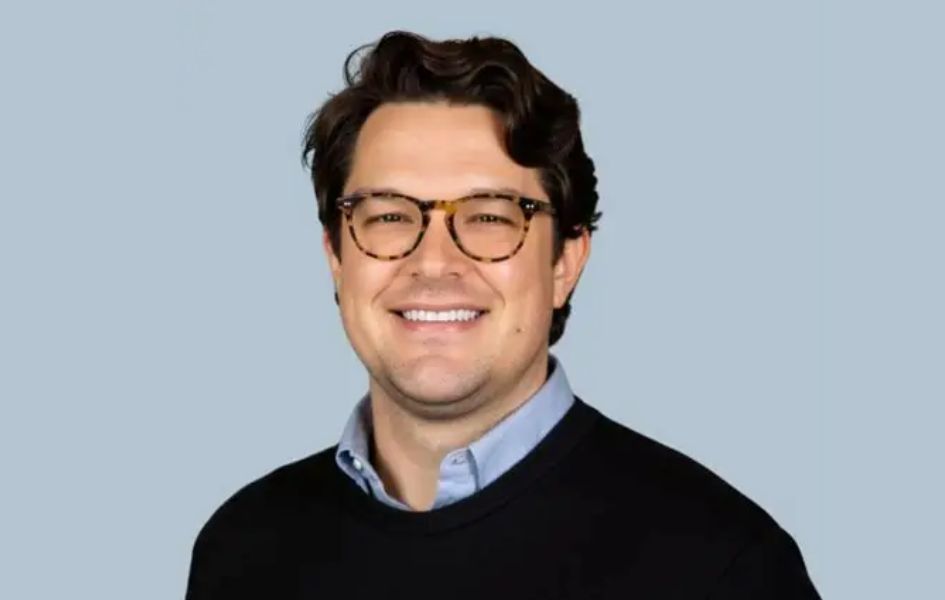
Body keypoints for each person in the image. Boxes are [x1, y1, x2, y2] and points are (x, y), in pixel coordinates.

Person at [184, 30, 821, 599]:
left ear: (565, 262)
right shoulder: (243, 552)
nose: (434, 263)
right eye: (388, 215)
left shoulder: (722, 567)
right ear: (335, 257)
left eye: (490, 216)